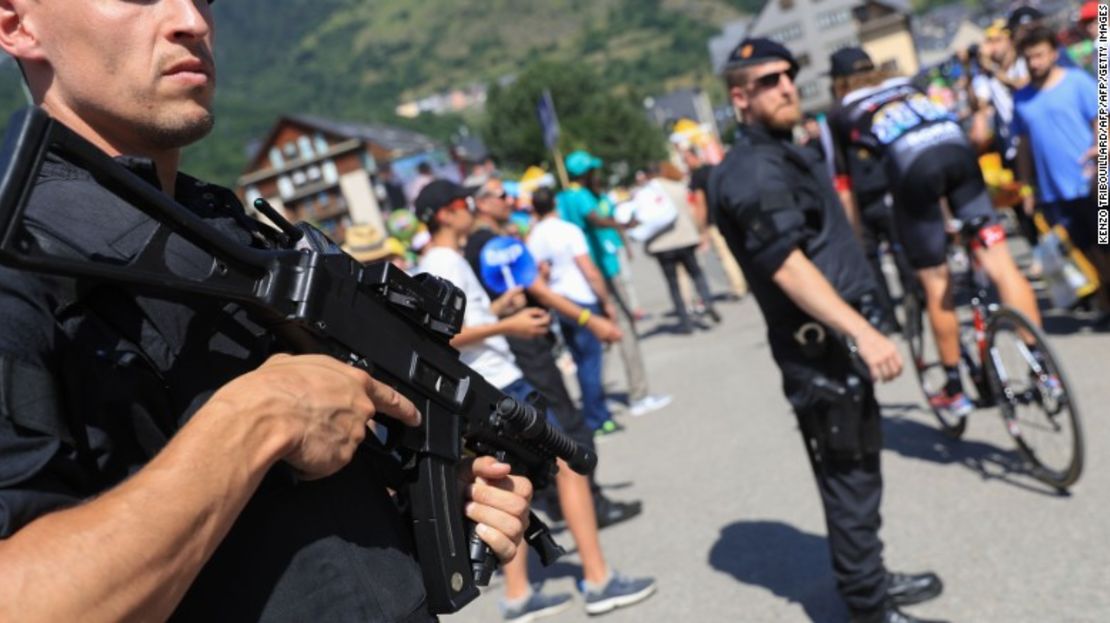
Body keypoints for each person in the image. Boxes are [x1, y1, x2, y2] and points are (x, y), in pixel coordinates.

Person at [0, 1, 532, 621]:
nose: (192, 22)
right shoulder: (21, 263)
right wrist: (254, 421)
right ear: (16, 24)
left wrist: (429, 500)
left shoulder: (229, 229)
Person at [708, 38, 946, 623]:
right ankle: (870, 608)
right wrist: (862, 332)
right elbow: (786, 264)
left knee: (858, 475)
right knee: (850, 479)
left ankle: (871, 580)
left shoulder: (784, 152)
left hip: (836, 346)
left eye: (789, 74)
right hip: (822, 354)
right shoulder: (754, 169)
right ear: (740, 97)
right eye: (769, 81)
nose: (787, 86)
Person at [413, 181, 656, 621]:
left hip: (492, 383)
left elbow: (465, 322)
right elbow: (444, 336)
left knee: (509, 481)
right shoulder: (443, 260)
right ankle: (598, 581)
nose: (472, 210)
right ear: (446, 214)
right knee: (567, 464)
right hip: (497, 383)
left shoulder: (441, 259)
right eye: (463, 204)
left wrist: (502, 308)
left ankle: (519, 594)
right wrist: (509, 326)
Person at [828, 46, 1044, 420]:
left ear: (838, 82)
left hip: (914, 171)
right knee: (1001, 263)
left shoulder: (841, 111)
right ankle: (1043, 366)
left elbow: (845, 184)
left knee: (935, 281)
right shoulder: (907, 84)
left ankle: (954, 388)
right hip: (958, 154)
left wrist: (855, 237)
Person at [462, 177, 642, 530]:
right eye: (502, 195)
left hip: (519, 350)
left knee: (548, 429)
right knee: (569, 429)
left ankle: (568, 503)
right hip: (526, 350)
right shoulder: (491, 244)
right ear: (481, 203)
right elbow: (538, 290)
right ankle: (592, 506)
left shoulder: (479, 244)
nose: (509, 200)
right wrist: (591, 319)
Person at [557, 151, 672, 423]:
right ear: (585, 173)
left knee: (599, 341)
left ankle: (594, 401)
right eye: (592, 171)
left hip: (591, 272)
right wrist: (624, 224)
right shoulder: (580, 195)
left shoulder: (565, 197)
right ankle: (639, 394)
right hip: (602, 270)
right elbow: (595, 219)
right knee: (625, 328)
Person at [1013, 26, 1110, 323]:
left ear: (1054, 54)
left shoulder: (1078, 82)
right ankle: (1106, 301)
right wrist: (1027, 188)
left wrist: (1101, 151)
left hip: (1091, 180)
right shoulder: (1023, 99)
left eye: (1040, 55)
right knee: (1083, 248)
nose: (1035, 63)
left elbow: (1101, 120)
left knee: (1105, 243)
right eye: (1029, 58)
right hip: (1054, 189)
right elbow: (1025, 147)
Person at [827, 48, 922, 335]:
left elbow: (840, 169)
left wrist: (849, 215)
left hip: (867, 192)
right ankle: (913, 308)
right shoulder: (895, 94)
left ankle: (892, 317)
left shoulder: (842, 111)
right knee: (901, 249)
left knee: (871, 257)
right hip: (901, 185)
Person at [642, 162, 721, 333]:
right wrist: (700, 232)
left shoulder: (644, 194)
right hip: (685, 239)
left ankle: (685, 319)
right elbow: (690, 211)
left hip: (661, 245)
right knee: (696, 273)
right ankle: (707, 301)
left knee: (674, 283)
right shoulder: (677, 188)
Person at [684, 149, 749, 300]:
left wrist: (701, 228)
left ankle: (738, 287)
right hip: (727, 215)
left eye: (686, 159)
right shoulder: (713, 169)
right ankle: (746, 282)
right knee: (736, 250)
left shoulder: (697, 176)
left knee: (725, 255)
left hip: (714, 221)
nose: (685, 163)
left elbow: (701, 203)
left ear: (694, 157)